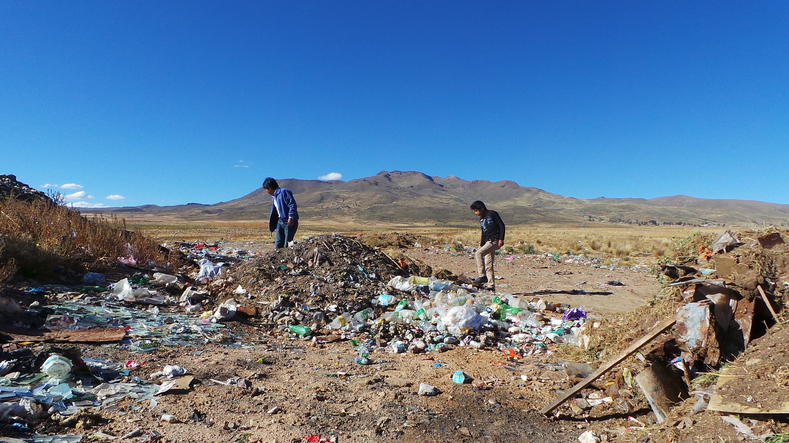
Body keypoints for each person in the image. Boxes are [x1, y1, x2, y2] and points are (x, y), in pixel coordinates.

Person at [470, 200, 505, 287]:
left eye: (476, 210)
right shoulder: (481, 219)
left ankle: (482, 276)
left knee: (478, 254)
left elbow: (501, 225)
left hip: (494, 240)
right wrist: (482, 243)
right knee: (488, 264)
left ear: (482, 209)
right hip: (487, 241)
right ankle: (491, 285)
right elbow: (483, 231)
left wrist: (501, 238)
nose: (476, 213)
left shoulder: (492, 214)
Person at [263, 177, 299, 248]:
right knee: (278, 243)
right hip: (280, 221)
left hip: (288, 221)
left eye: (266, 189)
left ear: (269, 188)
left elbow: (292, 204)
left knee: (287, 244)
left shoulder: (284, 192)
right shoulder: (274, 197)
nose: (266, 191)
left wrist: (291, 217)